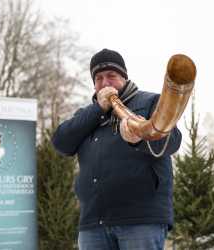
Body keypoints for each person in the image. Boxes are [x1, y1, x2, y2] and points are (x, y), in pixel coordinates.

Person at [52, 49, 182, 250]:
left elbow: (171, 141)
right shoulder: (87, 115)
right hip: (93, 222)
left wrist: (138, 139)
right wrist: (98, 110)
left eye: (111, 76)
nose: (105, 83)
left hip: (141, 219)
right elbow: (60, 143)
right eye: (98, 78)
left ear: (124, 77)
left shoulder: (150, 102)